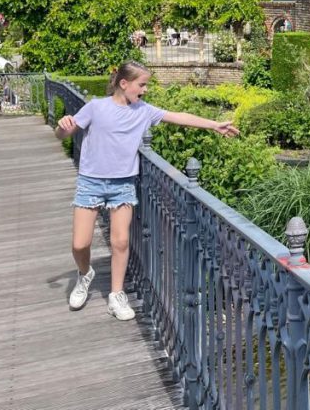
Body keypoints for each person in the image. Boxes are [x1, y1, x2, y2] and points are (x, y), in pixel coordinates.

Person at [55, 61, 239, 320]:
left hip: (123, 183)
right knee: (79, 243)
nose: (145, 89)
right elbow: (63, 135)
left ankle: (116, 295)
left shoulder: (144, 111)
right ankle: (85, 274)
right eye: (142, 84)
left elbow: (179, 117)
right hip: (91, 182)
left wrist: (213, 124)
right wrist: (62, 127)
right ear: (124, 83)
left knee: (120, 241)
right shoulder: (96, 107)